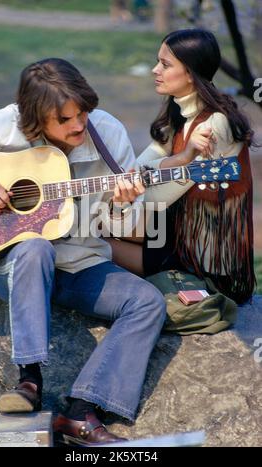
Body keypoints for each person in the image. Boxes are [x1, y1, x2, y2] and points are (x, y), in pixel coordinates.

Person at [0, 58, 167, 445]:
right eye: (64, 119)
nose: (78, 125)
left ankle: (81, 411)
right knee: (35, 246)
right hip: (15, 268)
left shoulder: (107, 134)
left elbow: (120, 228)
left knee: (147, 302)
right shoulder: (2, 125)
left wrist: (123, 204)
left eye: (82, 113)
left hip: (79, 264)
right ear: (35, 118)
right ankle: (29, 382)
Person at [107, 28, 256, 305]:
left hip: (202, 262)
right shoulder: (180, 112)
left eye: (165, 64)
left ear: (190, 73)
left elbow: (153, 197)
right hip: (175, 232)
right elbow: (135, 169)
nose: (155, 70)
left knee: (94, 240)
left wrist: (125, 194)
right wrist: (179, 158)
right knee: (93, 221)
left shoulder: (216, 125)